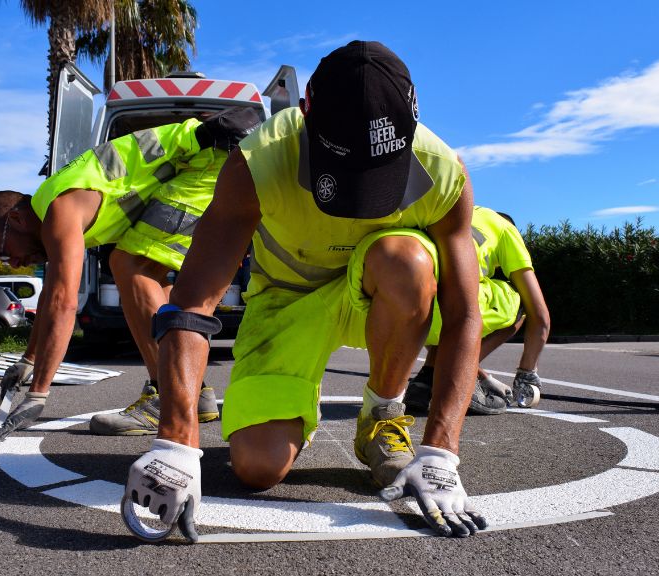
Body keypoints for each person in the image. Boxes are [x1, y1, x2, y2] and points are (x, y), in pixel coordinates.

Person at [123, 40, 489, 542]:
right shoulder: (258, 162)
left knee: (406, 259)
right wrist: (176, 443)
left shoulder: (443, 172)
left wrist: (442, 453)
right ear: (303, 117)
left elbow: (467, 315)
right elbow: (191, 302)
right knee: (256, 467)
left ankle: (382, 414)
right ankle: (293, 398)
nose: (362, 200)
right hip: (286, 299)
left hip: (380, 289)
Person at [0, 108, 261, 445]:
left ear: (17, 220)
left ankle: (166, 397)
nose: (15, 262)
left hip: (213, 157)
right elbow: (51, 297)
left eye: (5, 252)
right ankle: (195, 394)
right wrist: (27, 361)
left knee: (130, 266)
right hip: (214, 158)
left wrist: (38, 395)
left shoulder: (59, 210)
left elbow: (64, 304)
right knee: (149, 280)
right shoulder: (54, 207)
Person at [405, 206, 551, 415]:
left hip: (408, 311)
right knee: (521, 302)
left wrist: (485, 377)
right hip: (445, 310)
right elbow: (541, 315)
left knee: (447, 291)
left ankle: (424, 382)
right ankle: (459, 377)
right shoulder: (505, 228)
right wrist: (527, 374)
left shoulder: (451, 210)